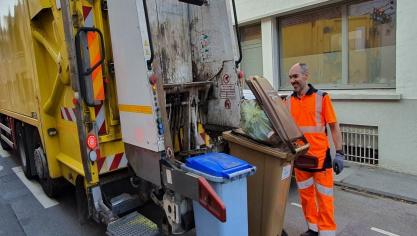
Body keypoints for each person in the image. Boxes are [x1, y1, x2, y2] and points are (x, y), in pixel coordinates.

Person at [285, 63, 344, 236]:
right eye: (290, 77)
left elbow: (333, 126)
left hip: (320, 159)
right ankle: (312, 229)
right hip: (301, 159)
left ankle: (327, 233)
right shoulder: (288, 101)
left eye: (295, 76)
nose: (292, 81)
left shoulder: (322, 98)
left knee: (325, 200)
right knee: (306, 198)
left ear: (305, 76)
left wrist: (339, 153)